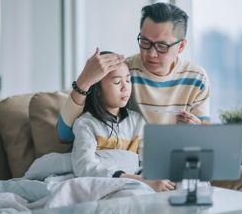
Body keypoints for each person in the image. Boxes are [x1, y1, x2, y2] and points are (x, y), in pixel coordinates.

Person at [57, 2, 242, 194]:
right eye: (145, 42)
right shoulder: (126, 73)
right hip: (139, 166)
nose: (151, 53)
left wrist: (197, 130)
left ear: (181, 47)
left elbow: (203, 146)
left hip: (181, 163)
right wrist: (83, 82)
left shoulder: (196, 79)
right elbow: (65, 134)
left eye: (162, 46)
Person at [71, 53, 175, 192]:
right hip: (103, 184)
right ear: (98, 90)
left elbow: (147, 162)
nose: (125, 88)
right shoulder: (86, 124)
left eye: (128, 80)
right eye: (117, 82)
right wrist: (141, 180)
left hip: (139, 182)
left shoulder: (138, 121)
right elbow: (84, 166)